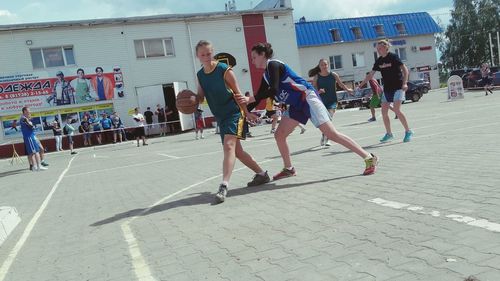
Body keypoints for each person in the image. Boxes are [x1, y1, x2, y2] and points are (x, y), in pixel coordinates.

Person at [244, 42, 378, 180]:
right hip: (296, 104)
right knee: (279, 135)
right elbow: (258, 96)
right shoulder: (266, 75)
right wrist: (243, 111)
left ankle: (368, 157)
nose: (252, 61)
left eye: (254, 57)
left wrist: (249, 99)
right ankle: (289, 168)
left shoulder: (273, 65)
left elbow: (272, 90)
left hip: (307, 98)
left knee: (331, 134)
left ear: (263, 55)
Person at [195, 40, 270, 203]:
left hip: (234, 113)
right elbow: (200, 97)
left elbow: (238, 93)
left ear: (212, 53)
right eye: (203, 55)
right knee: (238, 152)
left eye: (208, 53)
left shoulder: (224, 69)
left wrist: (247, 112)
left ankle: (224, 185)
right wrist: (192, 99)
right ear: (197, 56)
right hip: (220, 116)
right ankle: (262, 174)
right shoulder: (200, 75)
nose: (206, 57)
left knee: (229, 147)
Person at [358, 39, 413, 143]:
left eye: (380, 48)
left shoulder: (393, 57)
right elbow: (370, 74)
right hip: (387, 89)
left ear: (386, 48)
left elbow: (405, 69)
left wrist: (405, 83)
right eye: (377, 49)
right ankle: (389, 134)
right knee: (384, 113)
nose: (378, 50)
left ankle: (408, 131)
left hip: (398, 87)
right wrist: (360, 85)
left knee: (397, 110)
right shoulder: (379, 61)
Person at [309, 58, 353, 146]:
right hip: (321, 101)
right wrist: (319, 91)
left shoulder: (333, 74)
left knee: (329, 118)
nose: (324, 66)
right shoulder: (317, 76)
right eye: (322, 65)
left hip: (332, 100)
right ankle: (324, 135)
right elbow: (312, 89)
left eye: (325, 64)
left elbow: (341, 84)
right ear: (319, 66)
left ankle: (327, 138)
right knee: (325, 121)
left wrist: (348, 90)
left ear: (328, 65)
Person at [20, 107, 47, 171]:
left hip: (30, 136)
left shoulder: (24, 118)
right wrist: (32, 124)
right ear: (25, 111)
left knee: (32, 153)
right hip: (29, 137)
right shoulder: (23, 118)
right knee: (36, 152)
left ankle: (34, 167)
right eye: (28, 110)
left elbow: (30, 126)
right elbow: (31, 126)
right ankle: (39, 166)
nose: (30, 111)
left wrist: (31, 123)